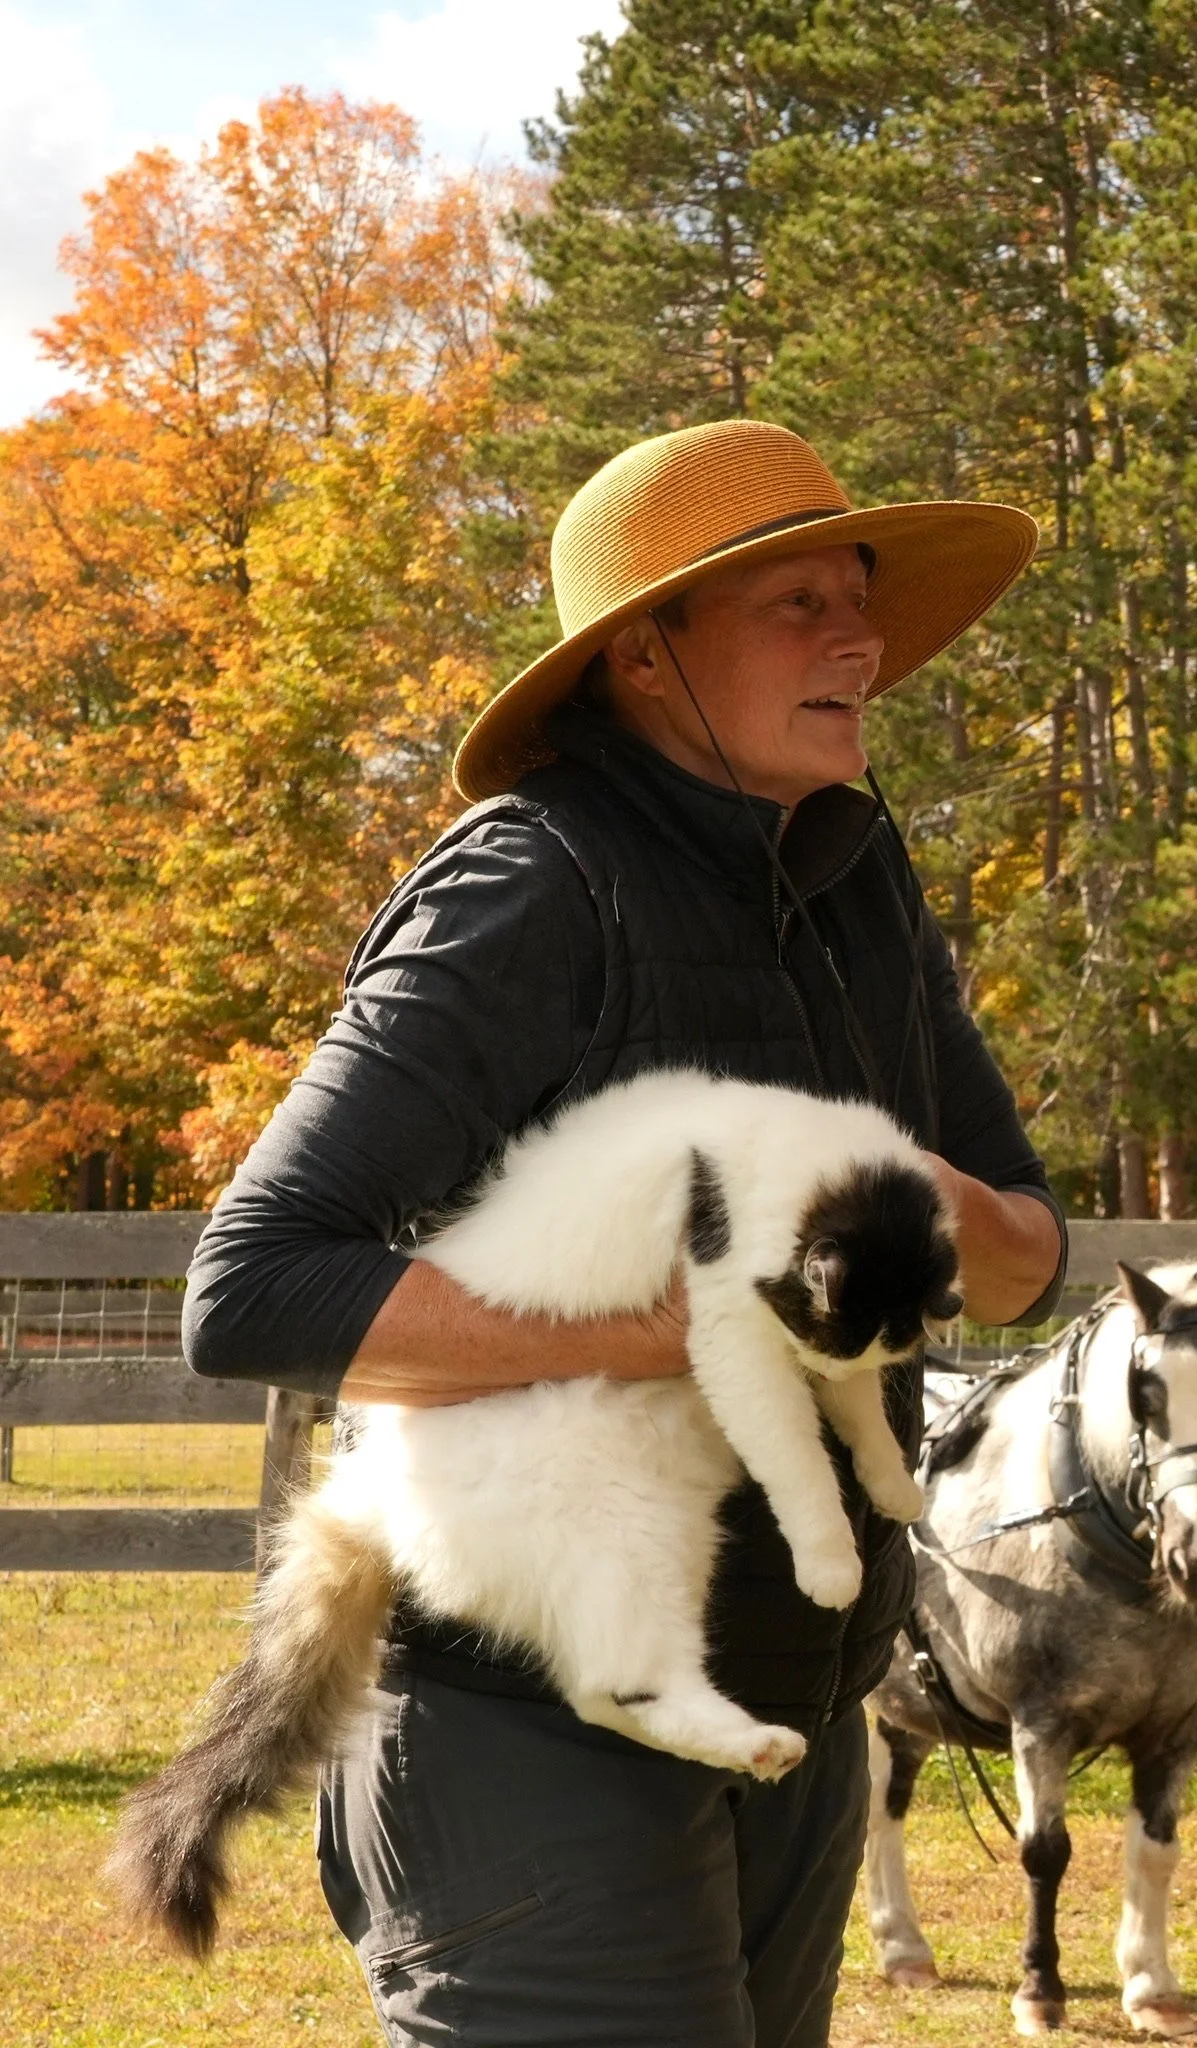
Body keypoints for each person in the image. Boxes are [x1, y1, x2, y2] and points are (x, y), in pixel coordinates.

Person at [182, 418, 1066, 2047]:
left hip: (798, 1710)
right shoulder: (534, 882)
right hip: (537, 1737)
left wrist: (926, 1210)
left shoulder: (866, 884)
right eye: (795, 604)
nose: (859, 636)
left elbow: (1021, 1247)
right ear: (647, 656)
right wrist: (679, 1335)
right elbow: (252, 1289)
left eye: (858, 597)